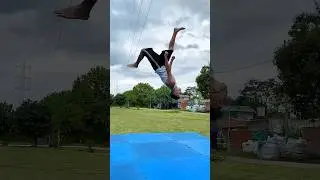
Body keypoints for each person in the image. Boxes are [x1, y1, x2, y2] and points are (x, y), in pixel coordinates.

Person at [127, 27, 185, 100]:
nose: (180, 92)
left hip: (158, 66)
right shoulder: (174, 84)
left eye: (178, 93)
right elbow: (169, 70)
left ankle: (136, 64)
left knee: (144, 51)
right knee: (171, 49)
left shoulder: (172, 83)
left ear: (174, 92)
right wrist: (171, 61)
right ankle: (175, 32)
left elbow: (168, 70)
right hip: (162, 64)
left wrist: (166, 57)